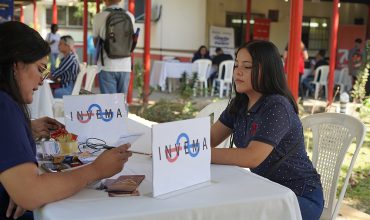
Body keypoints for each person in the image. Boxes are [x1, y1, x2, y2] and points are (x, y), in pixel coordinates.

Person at [0, 21, 132, 219]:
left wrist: (27, 128)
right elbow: (31, 193)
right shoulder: (4, 105)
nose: (43, 79)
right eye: (40, 68)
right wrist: (96, 170)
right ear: (16, 64)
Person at [211, 40, 324, 220]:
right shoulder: (240, 104)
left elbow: (252, 157)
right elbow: (209, 139)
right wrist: (177, 146)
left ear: (267, 71)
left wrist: (198, 154)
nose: (238, 72)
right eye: (236, 65)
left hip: (298, 197)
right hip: (265, 190)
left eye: (247, 67)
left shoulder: (277, 106)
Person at [92, 0, 135, 96]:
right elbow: (132, 40)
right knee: (121, 103)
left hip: (107, 65)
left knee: (109, 105)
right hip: (125, 66)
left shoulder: (99, 17)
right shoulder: (130, 16)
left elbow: (96, 43)